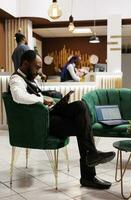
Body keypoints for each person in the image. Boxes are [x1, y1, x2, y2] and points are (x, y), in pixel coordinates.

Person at [9, 50, 115, 190]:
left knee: (80, 106)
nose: (39, 71)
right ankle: (89, 172)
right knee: (82, 123)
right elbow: (18, 96)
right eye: (37, 67)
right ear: (25, 64)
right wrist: (42, 99)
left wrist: (52, 99)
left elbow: (35, 94)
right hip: (43, 123)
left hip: (50, 115)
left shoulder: (30, 78)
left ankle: (90, 162)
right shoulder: (16, 79)